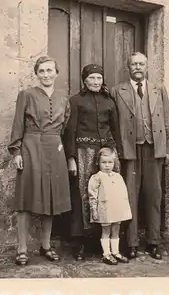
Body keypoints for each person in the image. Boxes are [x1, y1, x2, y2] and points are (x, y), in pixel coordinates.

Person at [8, 56, 71, 265]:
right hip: (31, 146)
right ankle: (22, 248)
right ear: (36, 74)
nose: (46, 75)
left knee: (51, 199)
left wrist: (60, 143)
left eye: (50, 70)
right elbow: (18, 124)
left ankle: (46, 245)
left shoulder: (63, 97)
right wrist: (16, 151)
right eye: (42, 71)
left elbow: (65, 124)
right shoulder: (26, 95)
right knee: (26, 199)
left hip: (55, 148)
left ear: (56, 73)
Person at [110, 52, 169, 260]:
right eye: (134, 64)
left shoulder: (158, 89)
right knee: (130, 197)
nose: (138, 67)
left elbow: (167, 121)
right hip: (130, 150)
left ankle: (154, 242)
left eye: (141, 64)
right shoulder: (117, 90)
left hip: (154, 149)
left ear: (147, 67)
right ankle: (132, 243)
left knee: (154, 195)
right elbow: (114, 122)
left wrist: (168, 150)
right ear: (128, 67)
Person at [63, 64, 123, 261]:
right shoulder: (76, 101)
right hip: (84, 154)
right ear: (85, 80)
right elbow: (70, 131)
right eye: (92, 78)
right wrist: (71, 158)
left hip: (106, 154)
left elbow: (116, 129)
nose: (96, 82)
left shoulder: (109, 102)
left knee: (108, 196)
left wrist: (117, 154)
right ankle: (80, 243)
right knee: (84, 195)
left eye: (99, 78)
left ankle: (104, 243)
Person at [87, 147, 132, 265]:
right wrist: (94, 210)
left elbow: (123, 194)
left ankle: (115, 252)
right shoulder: (97, 177)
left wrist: (124, 209)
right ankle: (106, 254)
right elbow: (92, 195)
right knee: (106, 230)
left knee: (116, 229)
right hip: (105, 209)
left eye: (110, 162)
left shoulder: (118, 177)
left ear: (114, 162)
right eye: (104, 162)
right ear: (98, 162)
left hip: (116, 208)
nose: (107, 165)